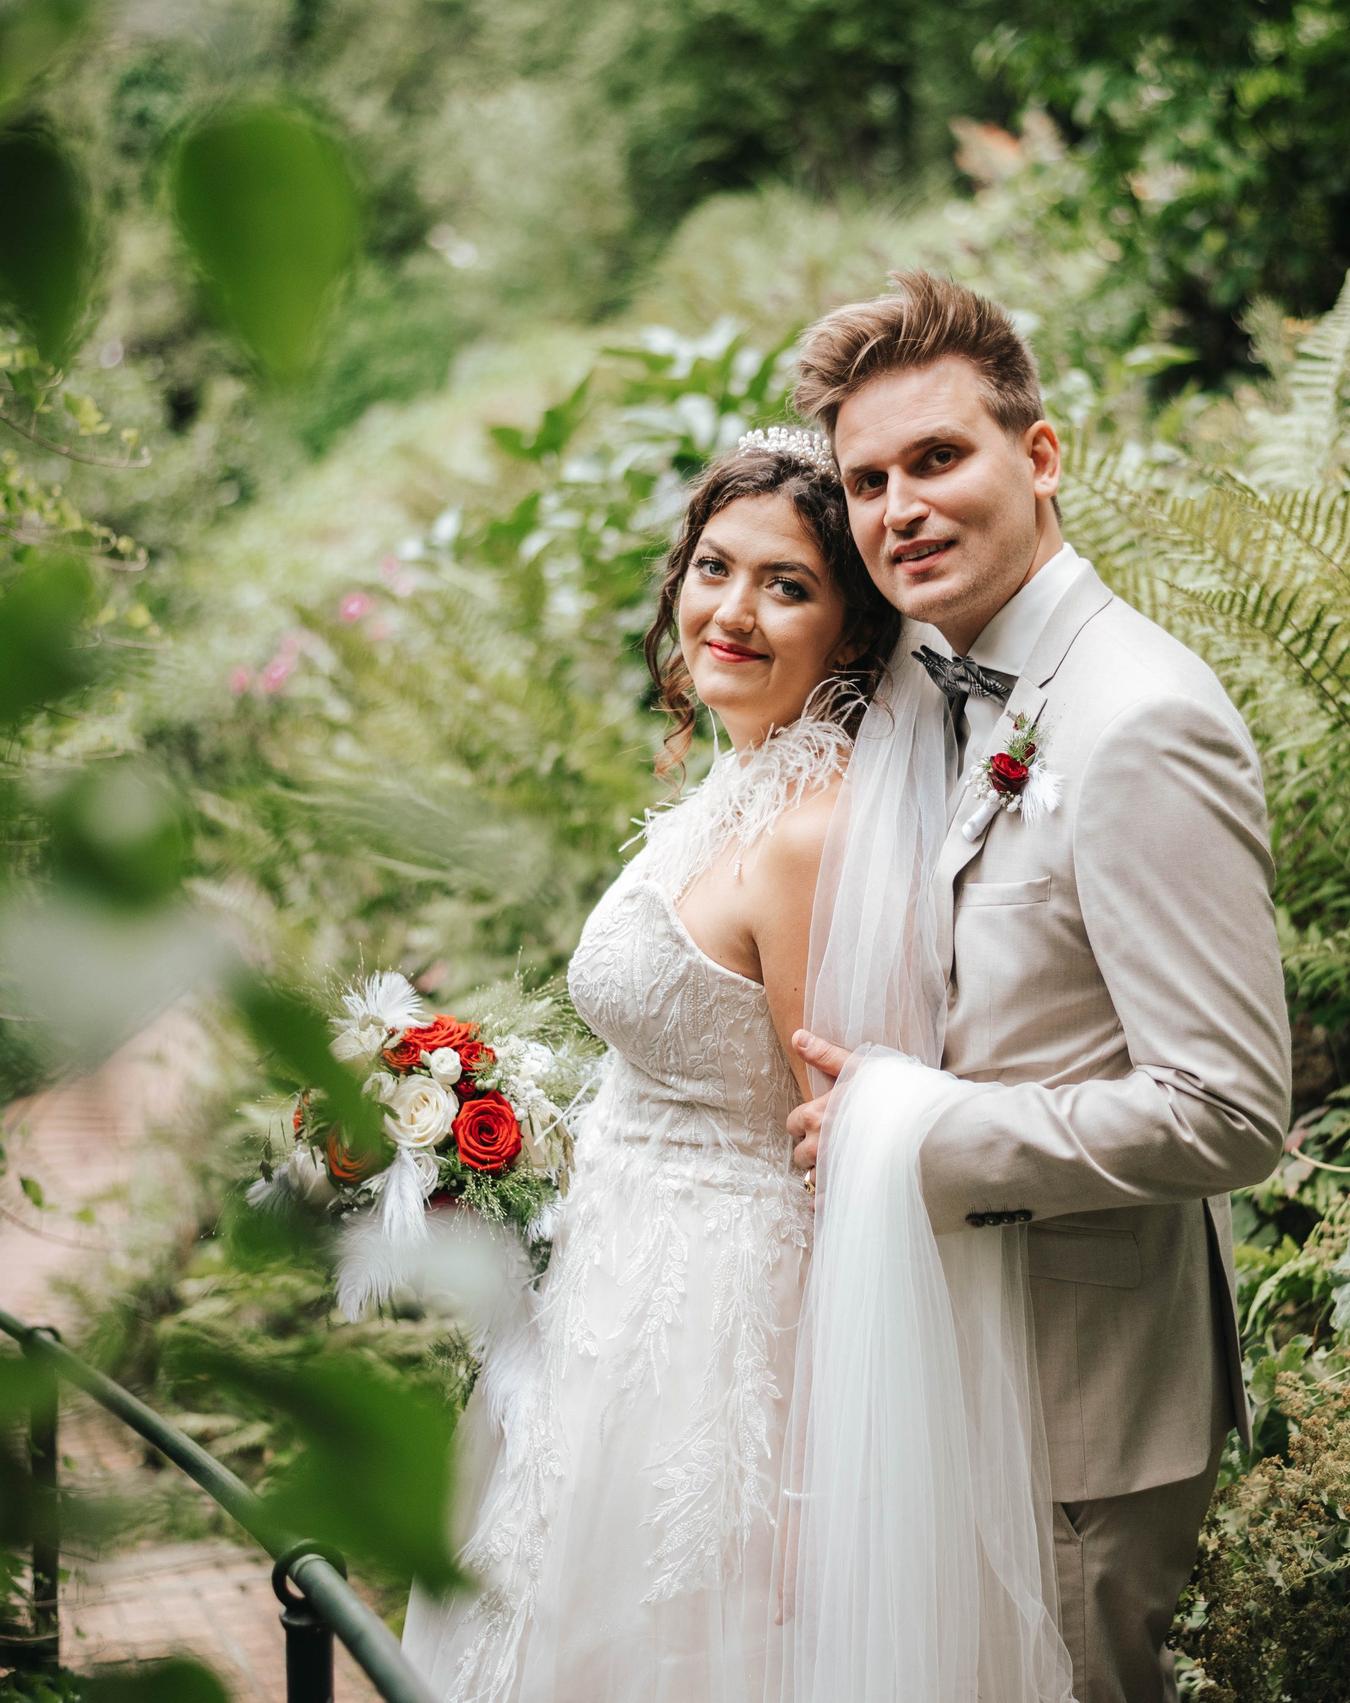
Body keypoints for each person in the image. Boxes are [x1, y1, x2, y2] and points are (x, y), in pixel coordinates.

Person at [785, 271, 1295, 1703]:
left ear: (1042, 454)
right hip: (942, 1368)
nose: (901, 509)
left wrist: (918, 1135)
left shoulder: (1141, 718)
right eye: (869, 479)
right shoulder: (922, 681)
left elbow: (1229, 1111)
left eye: (938, 458)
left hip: (1081, 1408)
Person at [401, 430, 905, 1703]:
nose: (731, 611)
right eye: (714, 568)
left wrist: (814, 1477)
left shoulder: (808, 832)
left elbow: (831, 1152)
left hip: (717, 1334)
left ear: (850, 630)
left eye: (785, 584)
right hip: (611, 1291)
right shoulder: (733, 787)